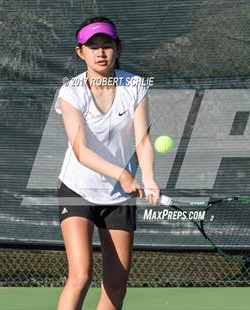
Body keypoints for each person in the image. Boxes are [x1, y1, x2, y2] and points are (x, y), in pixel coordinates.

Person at [54, 16, 160, 310]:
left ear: (118, 48)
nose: (100, 53)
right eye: (93, 46)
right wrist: (121, 173)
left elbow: (143, 140)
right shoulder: (70, 92)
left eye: (107, 45)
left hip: (118, 197)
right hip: (77, 189)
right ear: (80, 52)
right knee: (81, 274)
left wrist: (148, 178)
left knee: (115, 284)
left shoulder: (136, 86)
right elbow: (81, 150)